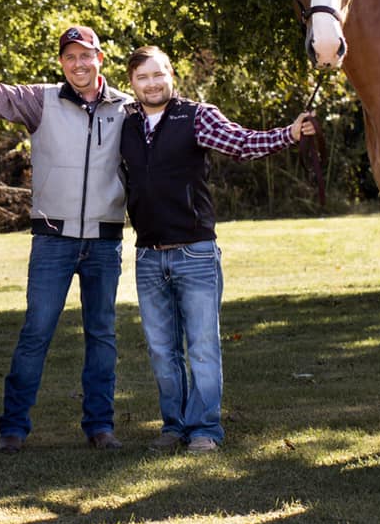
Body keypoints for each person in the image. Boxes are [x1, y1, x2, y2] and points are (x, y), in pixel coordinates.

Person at [118, 46, 315, 454]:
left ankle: (205, 430)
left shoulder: (197, 116)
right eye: (142, 77)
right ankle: (173, 427)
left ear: (172, 75)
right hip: (148, 255)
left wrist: (291, 134)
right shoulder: (126, 123)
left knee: (202, 346)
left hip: (196, 253)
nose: (152, 83)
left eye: (158, 74)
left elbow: (242, 144)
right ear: (132, 84)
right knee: (161, 349)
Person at [0, 25, 132, 451]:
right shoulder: (42, 100)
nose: (78, 64)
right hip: (53, 239)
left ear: (99, 59)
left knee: (102, 335)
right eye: (69, 57)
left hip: (104, 242)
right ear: (61, 63)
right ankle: (13, 428)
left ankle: (100, 426)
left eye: (85, 55)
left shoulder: (126, 108)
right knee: (36, 332)